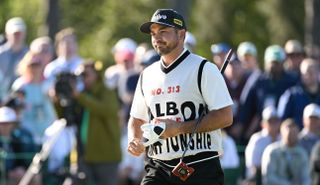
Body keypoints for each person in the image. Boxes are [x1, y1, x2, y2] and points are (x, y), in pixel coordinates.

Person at [127, 9, 233, 185]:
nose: (156, 38)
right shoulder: (147, 74)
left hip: (200, 165)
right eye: (153, 33)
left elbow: (225, 116)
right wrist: (134, 140)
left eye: (163, 32)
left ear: (181, 34)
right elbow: (136, 119)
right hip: (158, 166)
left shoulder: (204, 69)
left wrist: (178, 128)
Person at [72, 59, 121, 185]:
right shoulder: (81, 94)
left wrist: (80, 97)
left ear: (97, 75)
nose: (83, 78)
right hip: (84, 155)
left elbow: (107, 110)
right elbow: (66, 117)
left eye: (86, 74)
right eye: (81, 75)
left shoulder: (107, 92)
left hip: (106, 157)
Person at [11, 51, 57, 147]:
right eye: (32, 65)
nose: (35, 68)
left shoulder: (50, 83)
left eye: (38, 64)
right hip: (27, 131)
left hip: (49, 130)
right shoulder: (20, 85)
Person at [261, 119, 310, 185]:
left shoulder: (302, 153)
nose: (291, 135)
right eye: (289, 133)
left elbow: (306, 178)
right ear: (281, 132)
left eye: (294, 132)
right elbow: (269, 178)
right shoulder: (272, 151)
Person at [278, 58, 320, 129]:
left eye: (311, 72)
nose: (308, 76)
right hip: (297, 138)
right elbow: (281, 120)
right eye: (305, 73)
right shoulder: (291, 95)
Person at [0, 106, 38, 184]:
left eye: (8, 123)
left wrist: (21, 168)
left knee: (34, 175)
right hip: (4, 174)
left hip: (16, 171)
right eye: (2, 123)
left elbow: (21, 161)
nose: (5, 126)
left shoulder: (17, 139)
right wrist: (9, 172)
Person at [245, 106, 281, 185]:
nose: (273, 124)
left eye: (276, 121)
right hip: (257, 179)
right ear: (263, 124)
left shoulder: (282, 138)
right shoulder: (257, 139)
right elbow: (254, 167)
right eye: (270, 121)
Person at [0, 17, 29, 103]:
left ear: (24, 34)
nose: (17, 36)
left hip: (23, 97)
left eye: (19, 33)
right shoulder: (1, 53)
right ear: (7, 34)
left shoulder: (29, 55)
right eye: (14, 33)